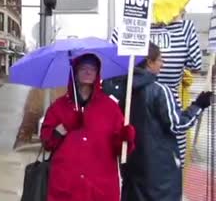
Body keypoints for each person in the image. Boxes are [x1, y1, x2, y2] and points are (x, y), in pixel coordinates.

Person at [120, 42, 211, 201]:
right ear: (149, 61)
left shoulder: (124, 90)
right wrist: (199, 105)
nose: (163, 64)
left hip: (133, 170)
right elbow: (178, 124)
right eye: (160, 59)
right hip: (160, 173)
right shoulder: (159, 90)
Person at [41, 53, 135, 201]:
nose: (88, 71)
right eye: (83, 68)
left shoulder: (110, 108)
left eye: (93, 68)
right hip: (66, 187)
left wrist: (125, 138)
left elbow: (119, 150)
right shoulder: (58, 107)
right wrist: (65, 126)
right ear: (75, 72)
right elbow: (47, 142)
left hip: (100, 188)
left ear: (98, 73)